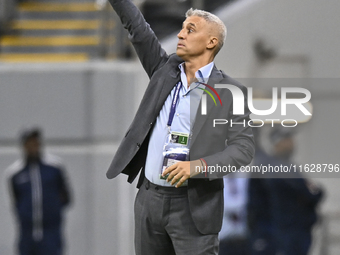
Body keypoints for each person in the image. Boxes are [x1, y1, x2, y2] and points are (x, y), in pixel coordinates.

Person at [106, 1, 255, 254]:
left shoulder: (230, 92)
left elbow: (243, 149)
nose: (180, 34)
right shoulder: (163, 70)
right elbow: (137, 28)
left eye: (190, 29)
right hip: (149, 200)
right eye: (182, 28)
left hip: (194, 205)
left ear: (211, 42)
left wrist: (197, 166)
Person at [248, 127, 323, 255]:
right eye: (288, 140)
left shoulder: (287, 167)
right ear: (278, 142)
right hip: (283, 234)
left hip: (293, 234)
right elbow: (310, 193)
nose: (292, 143)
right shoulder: (275, 167)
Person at [5, 128, 71, 255]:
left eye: (36, 143)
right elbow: (15, 200)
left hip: (51, 233)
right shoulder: (15, 173)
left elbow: (66, 197)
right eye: (30, 143)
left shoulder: (54, 168)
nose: (33, 147)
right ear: (24, 146)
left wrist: (53, 211)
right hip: (27, 234)